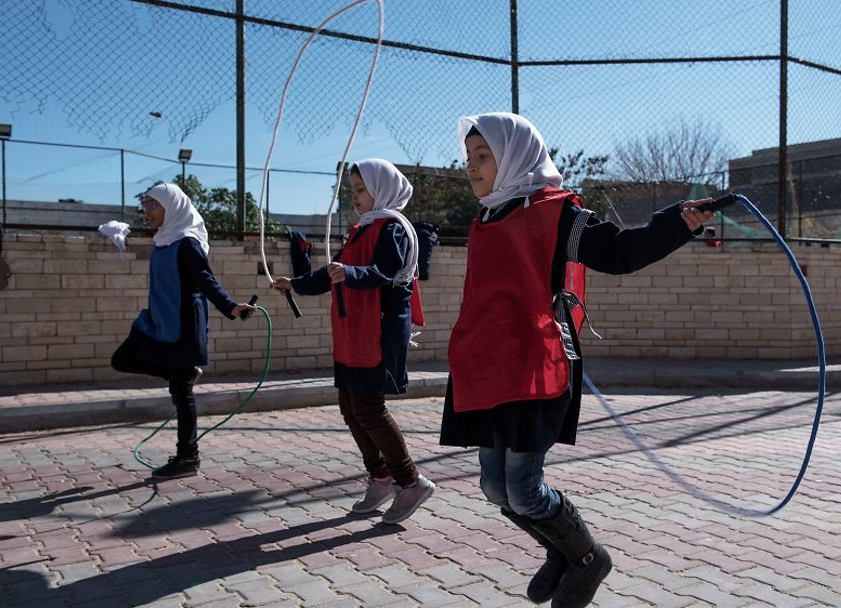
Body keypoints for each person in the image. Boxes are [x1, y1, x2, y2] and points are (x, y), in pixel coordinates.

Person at [439, 113, 714, 608]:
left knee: (522, 490)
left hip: (534, 367)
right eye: (469, 158)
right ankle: (560, 551)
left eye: (483, 156)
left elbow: (619, 252)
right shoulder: (486, 216)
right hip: (484, 369)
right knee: (494, 487)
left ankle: (587, 560)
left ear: (516, 156)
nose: (471, 167)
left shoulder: (556, 212)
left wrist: (674, 223)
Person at [272, 159, 435, 525]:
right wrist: (295, 284)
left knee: (369, 409)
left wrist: (351, 273)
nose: (355, 197)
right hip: (351, 334)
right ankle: (380, 477)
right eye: (353, 190)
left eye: (361, 189)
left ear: (383, 189)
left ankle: (410, 481)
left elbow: (384, 272)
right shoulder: (363, 228)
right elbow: (332, 275)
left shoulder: (392, 228)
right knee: (351, 408)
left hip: (375, 332)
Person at [111, 183, 255, 480]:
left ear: (171, 206)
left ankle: (188, 457)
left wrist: (230, 307)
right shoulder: (162, 240)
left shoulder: (187, 242)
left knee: (180, 393)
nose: (147, 211)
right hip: (157, 319)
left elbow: (205, 281)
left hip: (183, 324)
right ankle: (183, 376)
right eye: (146, 204)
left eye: (153, 204)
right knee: (122, 359)